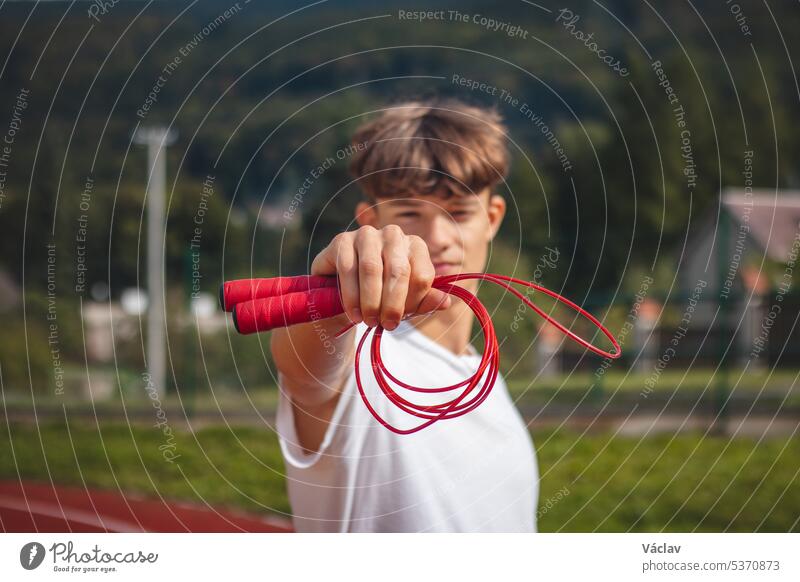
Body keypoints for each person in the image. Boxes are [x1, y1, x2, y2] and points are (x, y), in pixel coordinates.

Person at [271, 97, 539, 532]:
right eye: (410, 213)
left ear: (492, 218)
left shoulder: (486, 382)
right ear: (369, 221)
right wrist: (334, 304)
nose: (438, 237)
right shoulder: (358, 357)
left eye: (459, 212)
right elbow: (305, 370)